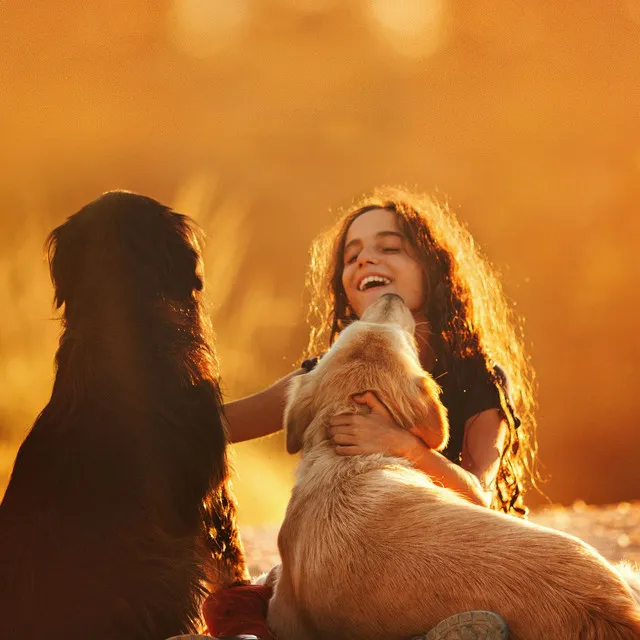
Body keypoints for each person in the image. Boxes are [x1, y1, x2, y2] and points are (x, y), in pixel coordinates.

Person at [204, 187, 540, 637]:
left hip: (450, 558)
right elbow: (219, 425)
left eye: (389, 247)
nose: (364, 260)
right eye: (352, 254)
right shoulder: (326, 374)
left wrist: (404, 446)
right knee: (240, 600)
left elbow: (483, 501)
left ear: (433, 269)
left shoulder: (476, 378)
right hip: (349, 566)